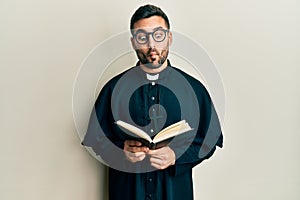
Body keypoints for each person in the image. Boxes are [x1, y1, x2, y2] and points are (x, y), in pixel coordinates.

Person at [82, 4, 223, 200]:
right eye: (142, 37)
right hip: (127, 192)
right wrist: (121, 153)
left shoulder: (193, 89)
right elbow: (97, 141)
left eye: (158, 35)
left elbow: (209, 140)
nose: (151, 45)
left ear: (169, 38)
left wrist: (176, 156)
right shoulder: (113, 89)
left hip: (174, 192)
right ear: (133, 42)